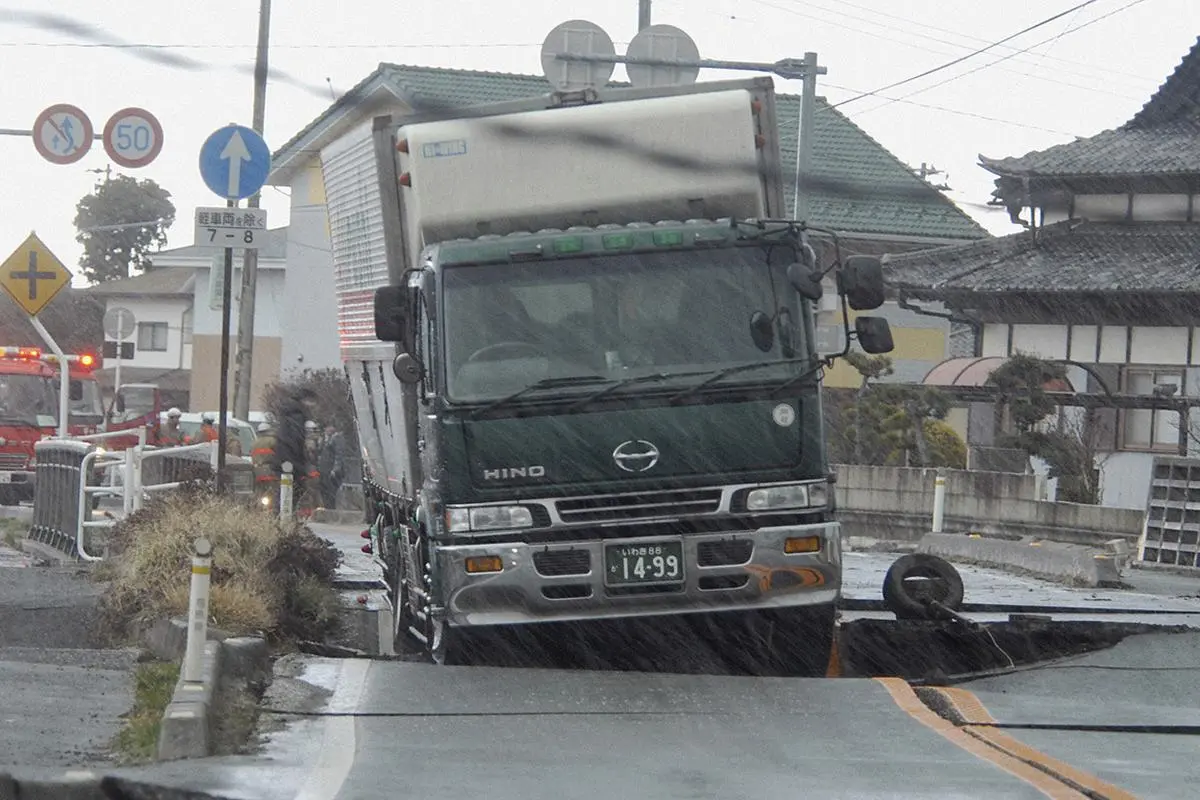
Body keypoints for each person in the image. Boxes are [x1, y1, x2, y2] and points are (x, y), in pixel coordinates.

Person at [274, 389, 317, 513]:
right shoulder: (297, 416)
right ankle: (285, 518)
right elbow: (295, 440)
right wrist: (299, 462)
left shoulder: (288, 414)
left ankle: (281, 517)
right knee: (293, 492)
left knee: (285, 491)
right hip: (291, 461)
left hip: (285, 460)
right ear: (306, 400)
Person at [317, 423, 347, 509]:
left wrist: (335, 469)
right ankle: (328, 508)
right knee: (325, 491)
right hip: (324, 470)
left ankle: (331, 510)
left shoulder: (337, 438)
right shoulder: (325, 438)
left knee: (331, 492)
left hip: (332, 471)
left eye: (328, 427)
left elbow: (339, 455)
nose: (326, 429)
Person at [250, 421, 278, 507]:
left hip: (257, 471)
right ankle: (270, 511)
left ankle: (259, 510)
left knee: (259, 492)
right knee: (272, 493)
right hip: (270, 470)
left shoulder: (254, 443)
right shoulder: (273, 441)